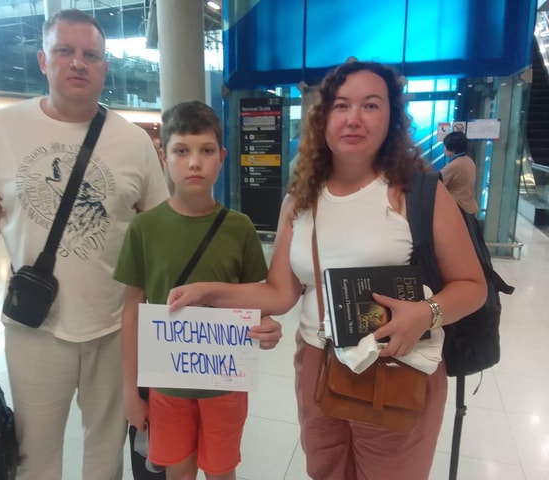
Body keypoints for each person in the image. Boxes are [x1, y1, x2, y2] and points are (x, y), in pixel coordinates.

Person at [167, 62, 487, 479]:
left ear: (391, 116)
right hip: (318, 362)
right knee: (325, 471)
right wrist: (208, 292)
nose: (353, 118)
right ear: (323, 118)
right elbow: (280, 292)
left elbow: (472, 285)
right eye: (341, 106)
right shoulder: (300, 199)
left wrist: (427, 314)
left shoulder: (418, 192)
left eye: (370, 105)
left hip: (394, 364)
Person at [0, 9, 168, 480]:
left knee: (105, 451)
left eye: (91, 55)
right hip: (34, 325)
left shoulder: (133, 142)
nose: (78, 63)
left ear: (104, 67)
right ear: (43, 61)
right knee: (35, 453)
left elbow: (158, 233)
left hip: (113, 326)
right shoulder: (1, 128)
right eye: (65, 51)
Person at [114, 100, 282, 480]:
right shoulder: (144, 229)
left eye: (206, 151)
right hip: (167, 385)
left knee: (221, 471)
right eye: (181, 151)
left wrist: (266, 325)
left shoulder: (240, 228)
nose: (194, 163)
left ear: (222, 157)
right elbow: (132, 309)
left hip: (225, 384)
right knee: (178, 471)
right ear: (164, 157)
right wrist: (130, 390)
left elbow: (256, 300)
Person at [441, 131, 480, 214]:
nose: (444, 148)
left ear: (451, 147)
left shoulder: (454, 165)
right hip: (469, 206)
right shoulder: (469, 160)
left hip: (457, 208)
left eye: (445, 145)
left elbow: (438, 182)